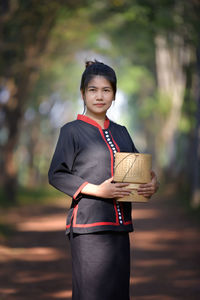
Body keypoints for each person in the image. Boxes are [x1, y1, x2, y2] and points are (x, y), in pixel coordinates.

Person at [48, 60, 159, 300]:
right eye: (93, 90)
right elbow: (57, 173)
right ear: (83, 93)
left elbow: (139, 171)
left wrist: (152, 183)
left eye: (106, 90)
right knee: (91, 295)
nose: (100, 96)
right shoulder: (71, 131)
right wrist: (99, 190)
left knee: (118, 294)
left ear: (114, 95)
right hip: (88, 228)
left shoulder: (122, 131)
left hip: (119, 228)